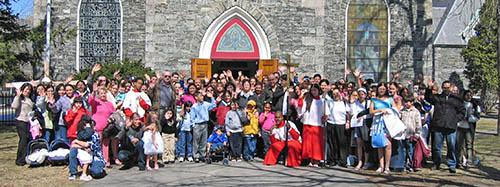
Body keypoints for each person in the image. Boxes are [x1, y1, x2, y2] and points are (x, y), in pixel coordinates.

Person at [425, 80, 465, 173]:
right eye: (444, 87)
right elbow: (428, 98)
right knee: (436, 147)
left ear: (451, 88)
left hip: (451, 126)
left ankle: (452, 164)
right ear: (442, 88)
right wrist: (429, 88)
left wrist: (455, 119)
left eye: (448, 87)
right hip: (438, 126)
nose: (446, 89)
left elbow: (462, 111)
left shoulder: (457, 99)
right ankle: (436, 163)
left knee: (451, 146)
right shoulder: (438, 98)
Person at [68, 116, 106, 181]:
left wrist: (77, 142)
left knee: (96, 173)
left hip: (95, 157)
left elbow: (89, 145)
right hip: (85, 155)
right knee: (73, 150)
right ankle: (73, 173)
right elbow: (73, 145)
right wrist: (81, 146)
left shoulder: (95, 135)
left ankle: (95, 169)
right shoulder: (81, 133)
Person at [369, 83, 396, 174]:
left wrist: (388, 111)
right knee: (379, 145)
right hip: (377, 123)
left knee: (388, 145)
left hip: (387, 123)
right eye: (380, 88)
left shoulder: (390, 99)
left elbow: (395, 110)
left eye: (383, 89)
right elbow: (371, 111)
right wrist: (380, 110)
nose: (382, 90)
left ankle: (387, 167)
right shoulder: (374, 100)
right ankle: (381, 166)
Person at [89, 87, 118, 167]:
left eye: (104, 93)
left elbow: (113, 113)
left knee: (106, 144)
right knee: (98, 143)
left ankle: (106, 160)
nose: (103, 95)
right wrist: (94, 91)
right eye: (101, 93)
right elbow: (90, 100)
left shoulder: (109, 103)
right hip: (97, 126)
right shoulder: (96, 102)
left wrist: (111, 119)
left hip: (107, 127)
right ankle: (97, 160)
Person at [324, 88, 351, 167]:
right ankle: (333, 160)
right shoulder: (329, 102)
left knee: (342, 143)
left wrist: (348, 122)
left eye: (337, 93)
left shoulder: (344, 103)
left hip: (341, 124)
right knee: (332, 143)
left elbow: (348, 113)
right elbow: (327, 113)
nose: (336, 95)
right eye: (334, 94)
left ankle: (343, 160)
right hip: (331, 123)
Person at [300, 84, 325, 167]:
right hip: (307, 123)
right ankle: (310, 159)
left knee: (316, 143)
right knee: (308, 143)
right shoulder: (307, 99)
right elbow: (302, 109)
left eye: (315, 90)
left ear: (318, 91)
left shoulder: (322, 100)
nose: (313, 92)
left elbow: (325, 111)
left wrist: (324, 118)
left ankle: (316, 160)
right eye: (312, 90)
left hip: (317, 124)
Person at [190, 91, 218, 162]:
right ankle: (196, 155)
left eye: (202, 96)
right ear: (196, 97)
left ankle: (202, 155)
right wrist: (193, 125)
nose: (202, 97)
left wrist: (212, 97)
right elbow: (192, 117)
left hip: (205, 124)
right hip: (197, 124)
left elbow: (213, 105)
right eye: (200, 96)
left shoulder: (205, 104)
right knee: (196, 140)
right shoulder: (194, 106)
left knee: (203, 140)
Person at [11, 83, 34, 166]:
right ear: (22, 89)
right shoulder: (19, 98)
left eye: (29, 89)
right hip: (21, 121)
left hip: (28, 122)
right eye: (26, 89)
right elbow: (14, 106)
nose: (27, 91)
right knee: (23, 139)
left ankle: (25, 157)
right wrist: (17, 96)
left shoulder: (29, 99)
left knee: (27, 139)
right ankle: (19, 160)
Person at [456, 90, 480, 169]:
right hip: (459, 127)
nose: (469, 97)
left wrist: (469, 118)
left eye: (470, 95)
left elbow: (477, 117)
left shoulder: (474, 105)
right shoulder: (460, 104)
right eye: (467, 95)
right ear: (464, 95)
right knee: (459, 145)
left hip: (469, 128)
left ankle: (469, 161)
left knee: (469, 145)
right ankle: (459, 161)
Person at [400, 95, 422, 172]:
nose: (406, 103)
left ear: (412, 102)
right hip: (403, 135)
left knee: (410, 151)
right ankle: (403, 164)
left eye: (408, 102)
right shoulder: (402, 111)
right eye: (405, 102)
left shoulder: (416, 112)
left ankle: (410, 165)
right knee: (403, 150)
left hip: (412, 135)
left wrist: (417, 134)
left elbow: (418, 124)